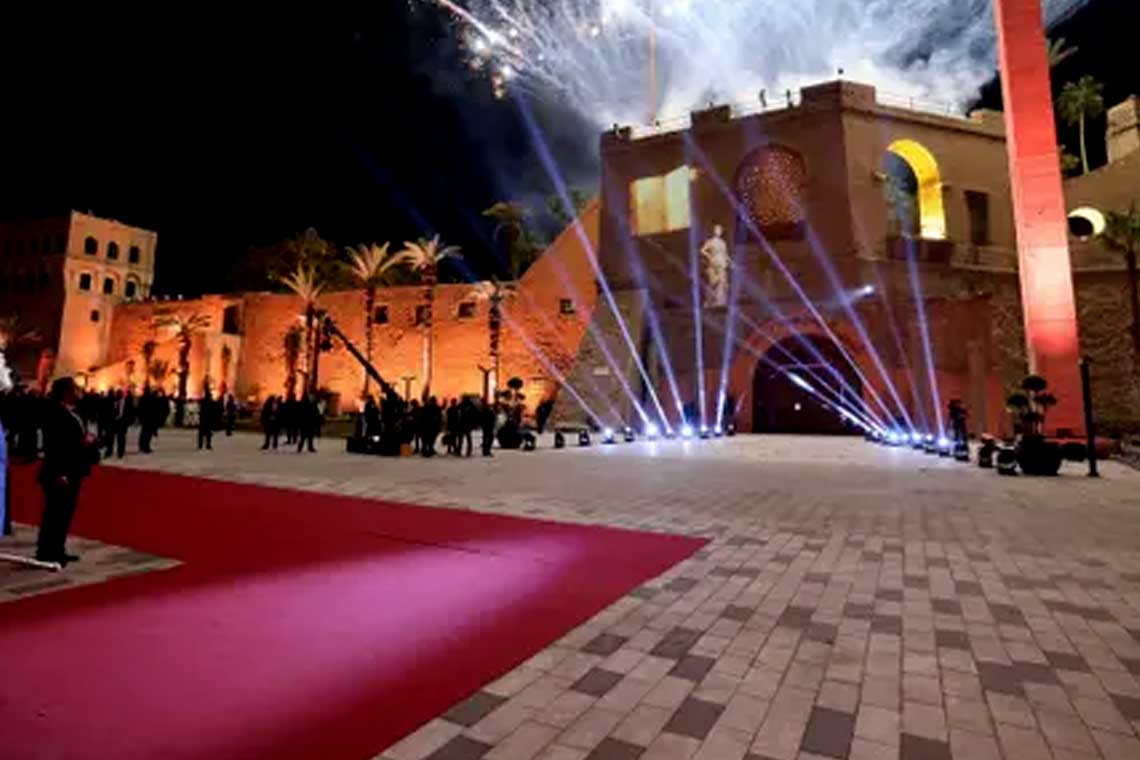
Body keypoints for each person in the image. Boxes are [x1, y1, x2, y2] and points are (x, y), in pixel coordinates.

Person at [36, 377, 99, 565]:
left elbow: (74, 438)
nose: (77, 392)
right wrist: (59, 472)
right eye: (73, 389)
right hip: (60, 470)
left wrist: (87, 441)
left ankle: (58, 548)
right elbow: (55, 446)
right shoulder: (55, 413)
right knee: (55, 513)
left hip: (75, 468)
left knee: (65, 513)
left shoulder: (74, 411)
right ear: (65, 392)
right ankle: (46, 551)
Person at [137, 387, 158, 453]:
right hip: (149, 419)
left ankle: (142, 446)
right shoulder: (151, 398)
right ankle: (146, 447)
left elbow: (139, 409)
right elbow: (153, 409)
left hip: (144, 419)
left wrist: (140, 418)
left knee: (144, 433)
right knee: (148, 434)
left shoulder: (142, 398)